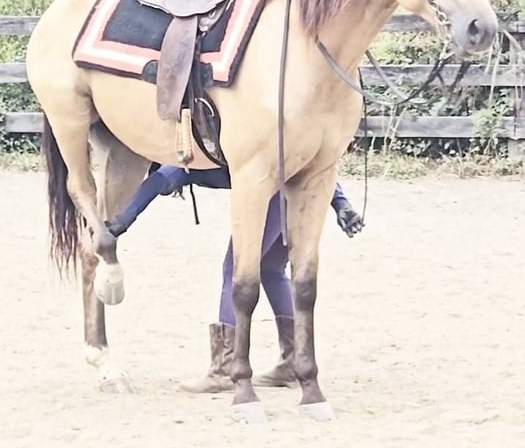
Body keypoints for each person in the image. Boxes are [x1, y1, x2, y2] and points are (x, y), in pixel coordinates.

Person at [106, 164, 363, 392]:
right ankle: (293, 361)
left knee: (235, 269)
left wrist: (122, 220)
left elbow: (163, 178)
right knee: (271, 270)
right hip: (299, 197)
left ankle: (224, 368)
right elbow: (308, 159)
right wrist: (341, 203)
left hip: (272, 198)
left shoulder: (189, 156)